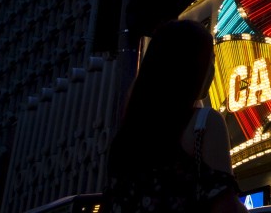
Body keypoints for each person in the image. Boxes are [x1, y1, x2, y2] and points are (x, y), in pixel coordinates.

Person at [103, 19, 246, 212]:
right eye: (210, 59)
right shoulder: (205, 123)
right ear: (191, 65)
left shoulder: (123, 143)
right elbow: (226, 207)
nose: (213, 69)